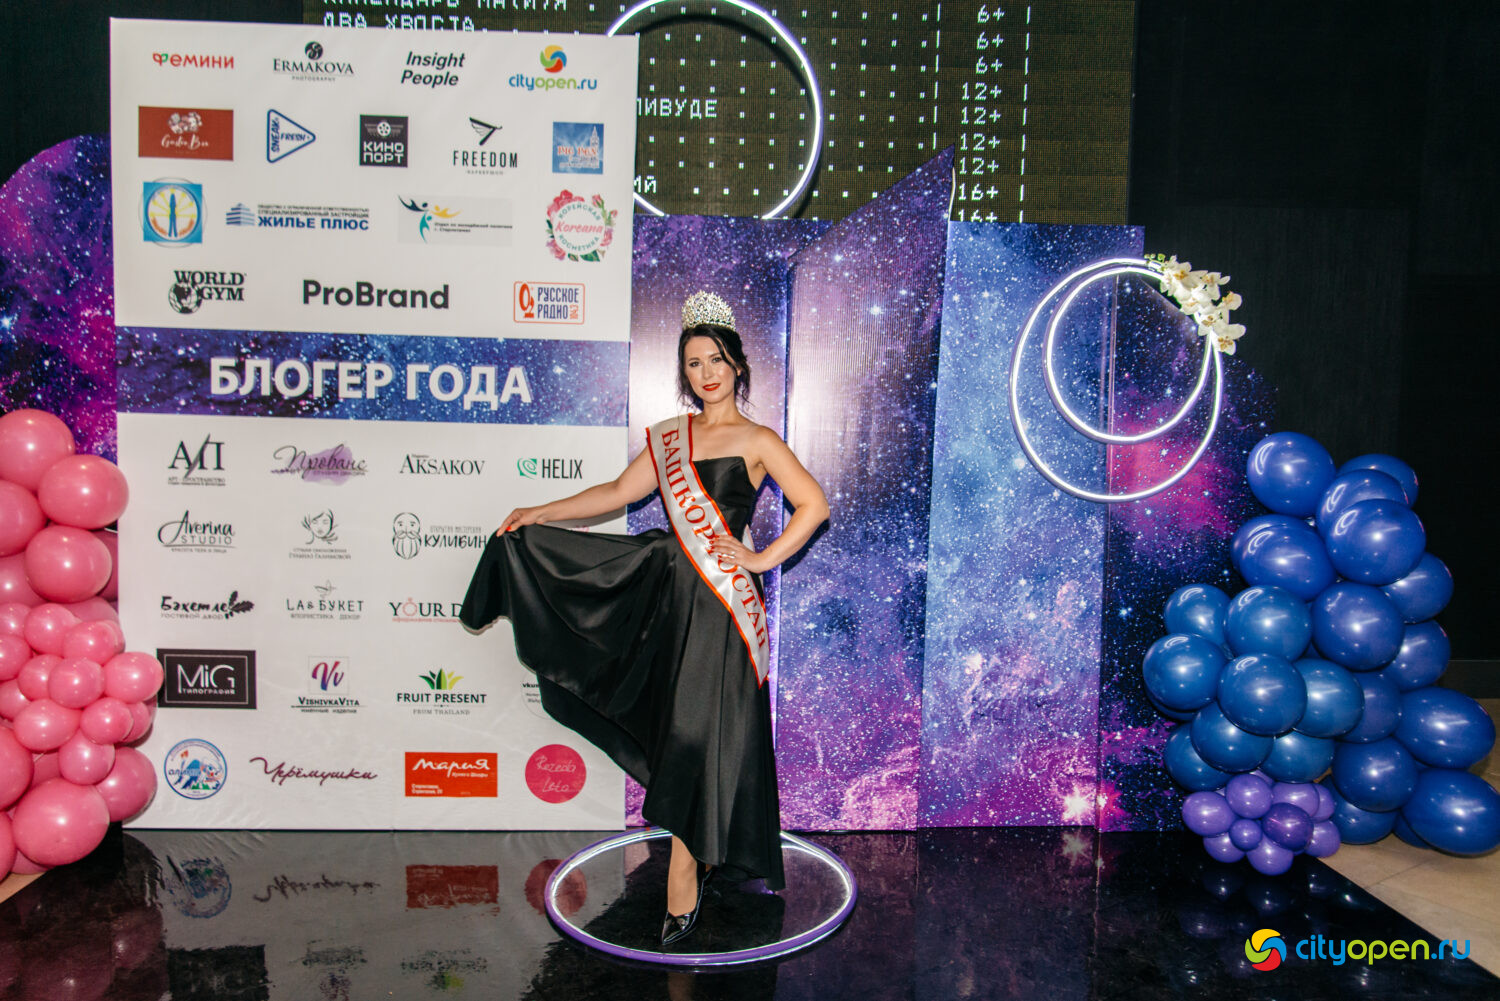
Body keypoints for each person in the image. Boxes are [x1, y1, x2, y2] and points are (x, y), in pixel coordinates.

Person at [460, 291, 829, 947]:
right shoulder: (669, 437)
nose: (706, 373)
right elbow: (615, 493)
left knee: (704, 733)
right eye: (694, 363)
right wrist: (538, 512)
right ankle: (699, 850)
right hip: (667, 598)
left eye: (716, 359)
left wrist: (759, 557)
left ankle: (685, 871)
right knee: (681, 731)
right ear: (684, 372)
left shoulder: (758, 440)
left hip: (722, 608)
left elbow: (814, 505)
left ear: (737, 365)